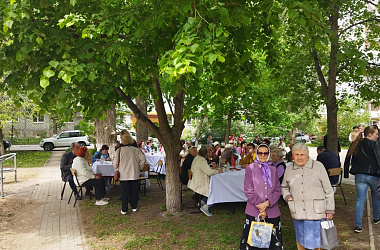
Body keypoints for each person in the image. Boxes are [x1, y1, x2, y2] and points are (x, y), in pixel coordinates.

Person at [281, 143, 334, 250]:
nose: (299, 157)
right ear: (292, 155)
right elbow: (284, 187)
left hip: (317, 212)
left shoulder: (318, 166)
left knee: (317, 243)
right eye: (296, 154)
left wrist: (330, 209)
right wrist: (288, 197)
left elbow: (328, 190)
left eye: (302, 154)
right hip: (298, 211)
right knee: (301, 239)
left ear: (307, 155)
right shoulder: (289, 169)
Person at [239, 144, 283, 249]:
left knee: (273, 242)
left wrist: (267, 203)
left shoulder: (273, 169)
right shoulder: (251, 168)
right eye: (260, 153)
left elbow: (277, 190)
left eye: (265, 153)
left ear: (269, 154)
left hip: (272, 211)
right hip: (254, 210)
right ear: (257, 154)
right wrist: (261, 207)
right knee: (254, 241)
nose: (263, 155)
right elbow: (248, 190)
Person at [344, 126, 380, 233]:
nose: (377, 136)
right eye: (376, 134)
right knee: (376, 197)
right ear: (370, 134)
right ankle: (376, 217)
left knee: (360, 199)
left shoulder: (356, 143)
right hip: (374, 174)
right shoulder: (376, 145)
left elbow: (347, 157)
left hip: (360, 175)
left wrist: (346, 173)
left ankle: (358, 225)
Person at [115, 132, 146, 214]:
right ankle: (134, 206)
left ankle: (124, 209)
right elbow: (143, 159)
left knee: (124, 192)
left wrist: (117, 169)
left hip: (123, 174)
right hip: (134, 173)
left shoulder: (119, 150)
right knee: (134, 191)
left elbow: (115, 163)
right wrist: (139, 168)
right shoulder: (136, 150)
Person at [187, 146, 223, 216]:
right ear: (205, 153)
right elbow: (209, 172)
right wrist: (217, 171)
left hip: (195, 180)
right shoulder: (202, 160)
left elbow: (204, 169)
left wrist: (211, 168)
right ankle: (206, 206)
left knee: (212, 186)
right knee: (214, 189)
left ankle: (203, 201)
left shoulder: (197, 158)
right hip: (199, 182)